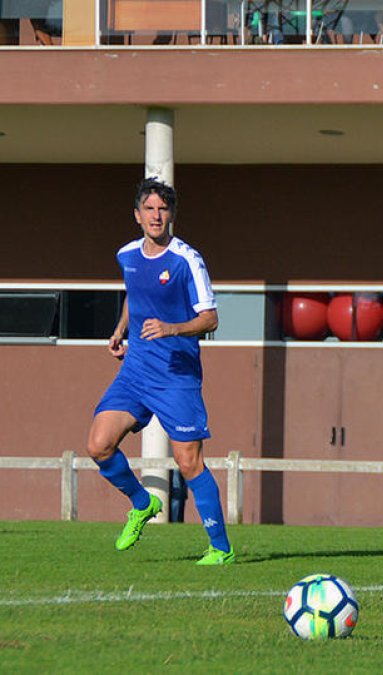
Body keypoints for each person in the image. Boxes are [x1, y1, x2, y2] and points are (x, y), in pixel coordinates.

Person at [85, 178, 234, 565]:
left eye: (163, 209)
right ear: (137, 216)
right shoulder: (127, 256)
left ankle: (221, 548)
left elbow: (211, 318)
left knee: (188, 462)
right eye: (149, 209)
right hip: (135, 371)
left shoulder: (187, 260)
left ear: (172, 215)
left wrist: (172, 328)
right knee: (98, 445)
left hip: (176, 376)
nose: (156, 215)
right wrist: (120, 331)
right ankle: (142, 503)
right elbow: (136, 299)